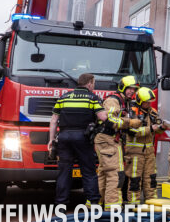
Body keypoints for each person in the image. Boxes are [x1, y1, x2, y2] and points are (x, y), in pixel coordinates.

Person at [48, 73, 122, 206]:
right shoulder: (92, 98)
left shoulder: (64, 97)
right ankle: (93, 203)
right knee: (88, 171)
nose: (94, 86)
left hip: (64, 137)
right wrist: (121, 123)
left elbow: (54, 120)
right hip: (82, 137)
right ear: (89, 83)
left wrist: (51, 139)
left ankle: (61, 205)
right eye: (93, 83)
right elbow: (103, 117)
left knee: (64, 172)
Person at [94, 75, 142, 210]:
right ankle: (112, 207)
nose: (132, 92)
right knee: (115, 173)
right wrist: (129, 122)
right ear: (122, 87)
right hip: (107, 139)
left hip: (110, 140)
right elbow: (109, 121)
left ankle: (97, 204)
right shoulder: (113, 100)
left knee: (104, 172)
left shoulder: (124, 102)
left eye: (134, 89)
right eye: (130, 89)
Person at [124, 87, 166, 204]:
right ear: (139, 101)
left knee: (151, 178)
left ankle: (152, 202)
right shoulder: (132, 113)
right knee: (135, 179)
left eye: (149, 102)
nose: (148, 104)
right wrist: (151, 128)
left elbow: (157, 129)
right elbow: (134, 132)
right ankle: (133, 204)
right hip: (135, 153)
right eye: (146, 102)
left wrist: (162, 128)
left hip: (149, 152)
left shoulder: (152, 112)